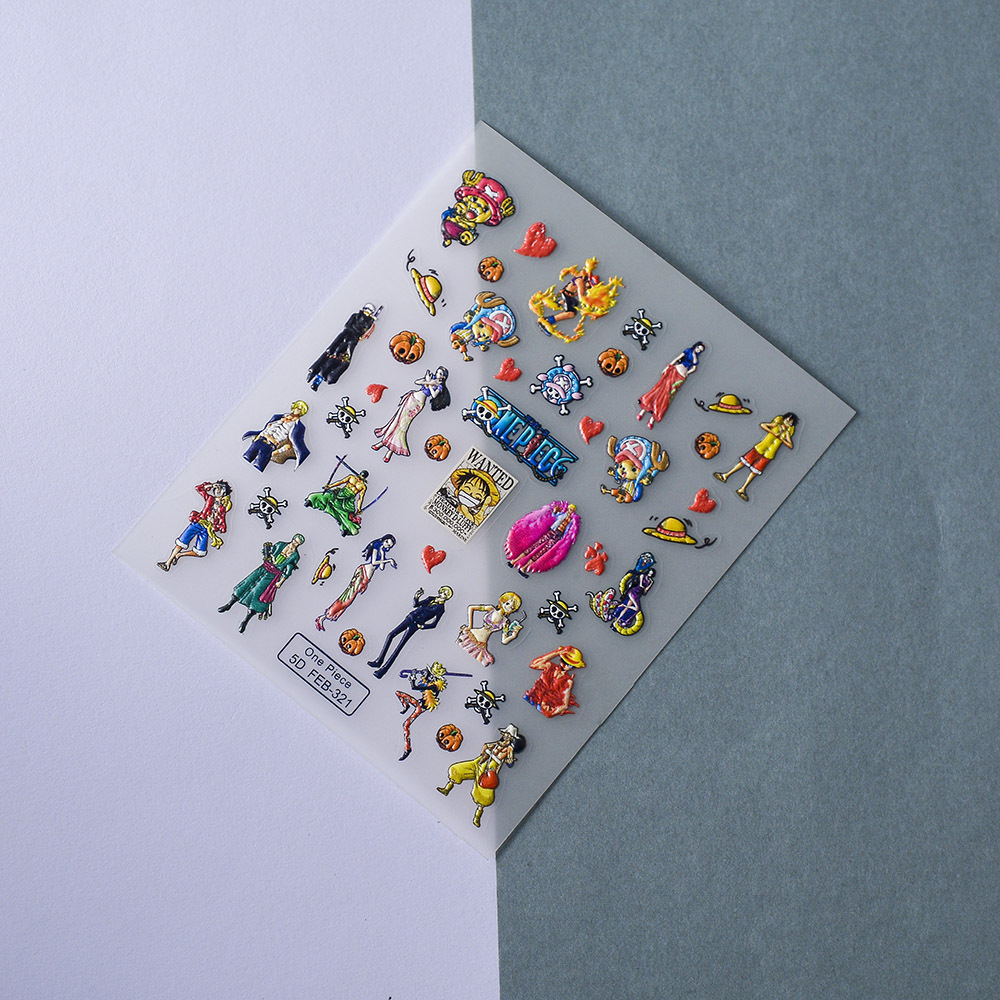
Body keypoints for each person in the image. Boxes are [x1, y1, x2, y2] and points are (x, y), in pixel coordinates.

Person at [437, 724, 524, 828]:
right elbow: (486, 746)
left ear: (512, 738)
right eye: (505, 734)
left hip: (490, 770)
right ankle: (447, 789)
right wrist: (484, 751)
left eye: (508, 735)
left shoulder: (509, 749)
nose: (505, 736)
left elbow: (510, 762)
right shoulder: (497, 743)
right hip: (479, 762)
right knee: (457, 769)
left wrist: (510, 761)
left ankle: (477, 817)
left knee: (485, 794)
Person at [219, 535, 304, 633]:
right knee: (248, 582)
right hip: (264, 567)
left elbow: (288, 570)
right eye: (295, 541)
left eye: (297, 543)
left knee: (258, 594)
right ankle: (229, 604)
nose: (295, 544)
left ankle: (245, 620)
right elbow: (268, 552)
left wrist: (280, 582)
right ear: (293, 539)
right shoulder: (280, 544)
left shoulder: (295, 556)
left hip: (273, 575)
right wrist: (268, 555)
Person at [367, 586, 453, 679]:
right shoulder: (430, 598)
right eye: (443, 592)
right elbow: (416, 605)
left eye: (446, 594)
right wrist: (416, 597)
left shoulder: (440, 608)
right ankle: (379, 661)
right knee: (391, 635)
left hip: (416, 624)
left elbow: (434, 624)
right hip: (410, 617)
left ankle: (383, 670)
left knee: (399, 646)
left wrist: (422, 626)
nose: (443, 595)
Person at [314, 534, 396, 630]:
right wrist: (388, 560)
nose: (387, 545)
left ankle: (324, 617)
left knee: (349, 600)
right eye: (387, 542)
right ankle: (325, 616)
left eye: (389, 545)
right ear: (383, 539)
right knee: (347, 598)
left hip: (366, 579)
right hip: (362, 573)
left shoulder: (381, 550)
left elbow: (381, 567)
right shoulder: (376, 547)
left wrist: (383, 554)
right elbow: (373, 562)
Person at [371, 367, 450, 462]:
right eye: (437, 372)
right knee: (395, 421)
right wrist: (428, 381)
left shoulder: (439, 386)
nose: (437, 374)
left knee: (402, 426)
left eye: (440, 373)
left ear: (443, 377)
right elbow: (417, 382)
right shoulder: (432, 378)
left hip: (417, 404)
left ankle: (388, 451)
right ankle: (382, 443)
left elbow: (433, 395)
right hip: (412, 397)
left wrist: (429, 383)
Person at [713, 412, 798, 501]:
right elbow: (763, 425)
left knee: (755, 471)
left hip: (769, 454)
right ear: (784, 419)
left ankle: (742, 489)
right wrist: (773, 433)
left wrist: (781, 439)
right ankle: (726, 475)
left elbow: (790, 445)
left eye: (790, 423)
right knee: (744, 462)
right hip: (760, 447)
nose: (788, 423)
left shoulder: (787, 433)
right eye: (787, 420)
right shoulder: (776, 425)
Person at [157, 480, 231, 571]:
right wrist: (210, 485)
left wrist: (220, 527)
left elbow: (222, 520)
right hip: (198, 523)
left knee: (200, 552)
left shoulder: (223, 507)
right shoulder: (210, 499)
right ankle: (167, 563)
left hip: (207, 529)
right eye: (216, 488)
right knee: (181, 542)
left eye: (220, 488)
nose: (217, 490)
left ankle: (179, 555)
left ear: (224, 492)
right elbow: (199, 488)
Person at [306, 303, 379, 390]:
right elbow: (347, 326)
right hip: (345, 335)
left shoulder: (369, 322)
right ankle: (315, 377)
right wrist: (355, 332)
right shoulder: (355, 316)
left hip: (353, 340)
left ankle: (327, 377)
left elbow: (364, 333)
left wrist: (360, 335)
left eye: (370, 312)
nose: (367, 312)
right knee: (330, 352)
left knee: (345, 359)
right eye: (367, 310)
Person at [635, 341, 705, 429]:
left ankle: (652, 418)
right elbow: (676, 359)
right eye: (698, 348)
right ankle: (642, 411)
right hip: (674, 371)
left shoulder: (695, 358)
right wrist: (667, 367)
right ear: (695, 346)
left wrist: (687, 373)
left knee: (667, 396)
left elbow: (694, 368)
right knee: (659, 388)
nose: (698, 350)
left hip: (681, 377)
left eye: (700, 350)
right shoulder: (688, 351)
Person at [395, 662, 447, 761]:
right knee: (399, 693)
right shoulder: (430, 683)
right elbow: (422, 684)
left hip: (421, 707)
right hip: (419, 702)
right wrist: (423, 674)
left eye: (430, 674)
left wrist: (412, 679)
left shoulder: (434, 686)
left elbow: (415, 687)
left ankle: (407, 748)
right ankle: (406, 705)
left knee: (406, 725)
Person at [456, 593, 523, 666]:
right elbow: (471, 608)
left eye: (512, 607)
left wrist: (513, 635)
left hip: (481, 644)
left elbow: (504, 641)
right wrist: (470, 626)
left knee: (470, 662)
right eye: (507, 603)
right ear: (502, 601)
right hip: (471, 634)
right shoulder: (491, 609)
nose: (508, 607)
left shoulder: (505, 621)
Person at [242, 401, 310, 471]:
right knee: (246, 458)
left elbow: (290, 445)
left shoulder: (298, 426)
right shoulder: (277, 417)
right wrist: (258, 437)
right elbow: (267, 428)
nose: (297, 410)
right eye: (296, 408)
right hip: (260, 440)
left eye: (300, 409)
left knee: (258, 466)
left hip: (270, 446)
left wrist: (276, 452)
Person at [524, 646, 586, 717]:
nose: (565, 666)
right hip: (531, 697)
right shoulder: (550, 666)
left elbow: (564, 705)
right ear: (560, 659)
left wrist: (551, 713)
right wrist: (556, 653)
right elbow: (533, 664)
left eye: (570, 665)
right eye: (564, 661)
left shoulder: (568, 681)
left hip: (545, 707)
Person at [303, 469, 368, 536]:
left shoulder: (363, 486)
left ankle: (346, 528)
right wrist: (330, 486)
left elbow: (361, 498)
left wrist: (359, 508)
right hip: (341, 493)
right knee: (328, 496)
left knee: (345, 514)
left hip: (348, 500)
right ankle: (312, 500)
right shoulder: (352, 477)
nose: (360, 478)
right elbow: (341, 482)